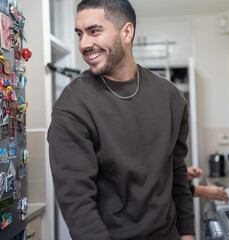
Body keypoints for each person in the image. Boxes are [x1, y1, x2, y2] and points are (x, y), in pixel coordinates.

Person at [47, 0, 195, 239]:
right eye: (79, 34)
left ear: (126, 32)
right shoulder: (72, 106)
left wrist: (187, 232)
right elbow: (76, 202)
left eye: (94, 31)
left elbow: (176, 171)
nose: (84, 44)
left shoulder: (171, 97)